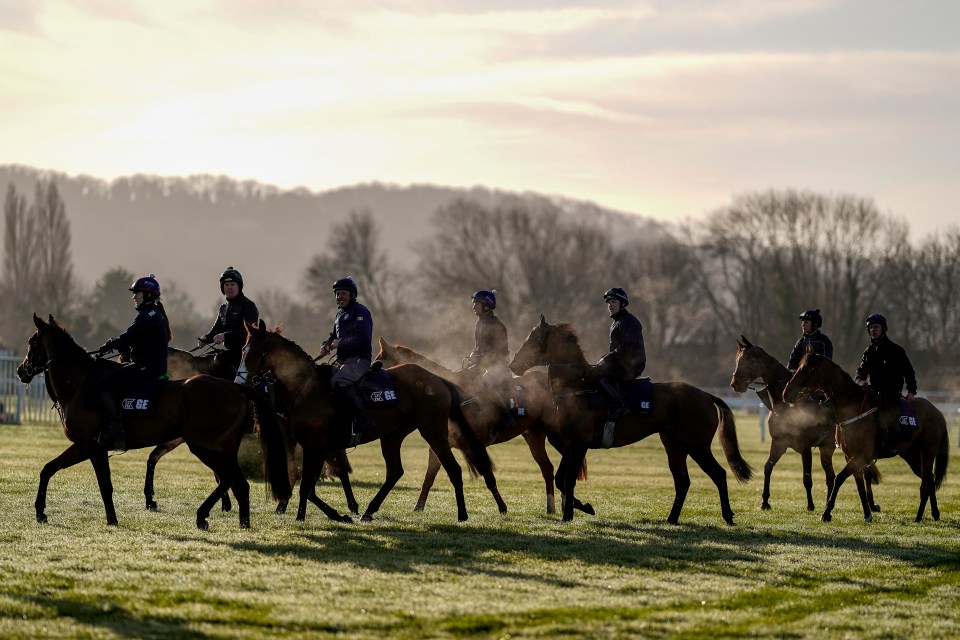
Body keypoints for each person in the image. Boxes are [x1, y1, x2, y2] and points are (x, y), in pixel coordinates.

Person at [95, 274, 172, 450]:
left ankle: (114, 430)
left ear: (148, 295)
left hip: (147, 367)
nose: (134, 297)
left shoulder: (146, 316)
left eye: (137, 293)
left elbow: (127, 338)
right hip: (152, 365)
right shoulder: (154, 314)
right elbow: (136, 340)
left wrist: (109, 344)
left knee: (104, 384)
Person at [317, 276, 374, 445]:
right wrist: (325, 345)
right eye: (337, 294)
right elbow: (333, 336)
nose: (339, 297)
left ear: (352, 295)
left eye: (343, 293)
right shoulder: (340, 314)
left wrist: (339, 343)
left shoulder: (360, 311)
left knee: (339, 381)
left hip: (359, 360)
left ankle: (363, 419)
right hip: (343, 360)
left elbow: (362, 338)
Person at [854, 313, 918, 456]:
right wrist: (860, 381)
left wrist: (911, 391)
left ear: (883, 329)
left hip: (891, 395)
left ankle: (892, 444)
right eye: (870, 327)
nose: (873, 330)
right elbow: (860, 372)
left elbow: (909, 372)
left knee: (888, 415)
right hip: (872, 395)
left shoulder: (896, 350)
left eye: (876, 327)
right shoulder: (868, 352)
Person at [584, 287, 646, 420]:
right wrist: (605, 358)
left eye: (614, 301)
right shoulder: (617, 322)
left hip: (631, 366)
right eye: (609, 302)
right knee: (594, 370)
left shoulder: (629, 322)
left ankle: (619, 405)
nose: (610, 305)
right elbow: (617, 351)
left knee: (595, 373)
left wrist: (606, 359)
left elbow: (626, 349)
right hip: (622, 364)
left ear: (622, 303)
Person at [462, 289, 514, 442]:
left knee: (484, 383)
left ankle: (505, 417)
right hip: (484, 365)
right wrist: (473, 356)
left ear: (486, 305)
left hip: (498, 366)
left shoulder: (497, 326)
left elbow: (498, 351)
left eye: (476, 303)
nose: (473, 306)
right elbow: (479, 348)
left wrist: (479, 360)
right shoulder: (480, 323)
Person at [198, 266, 260, 373]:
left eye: (232, 284)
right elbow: (216, 330)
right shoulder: (223, 308)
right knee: (204, 362)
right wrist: (205, 338)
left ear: (239, 286)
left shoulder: (248, 306)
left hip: (245, 355)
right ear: (223, 289)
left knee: (219, 363)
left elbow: (251, 334)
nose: (229, 287)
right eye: (226, 285)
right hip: (229, 353)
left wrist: (226, 336)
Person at [787, 308, 834, 372]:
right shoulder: (800, 342)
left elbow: (827, 364)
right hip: (801, 377)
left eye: (806, 322)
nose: (802, 325)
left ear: (814, 324)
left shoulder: (824, 341)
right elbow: (792, 363)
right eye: (802, 322)